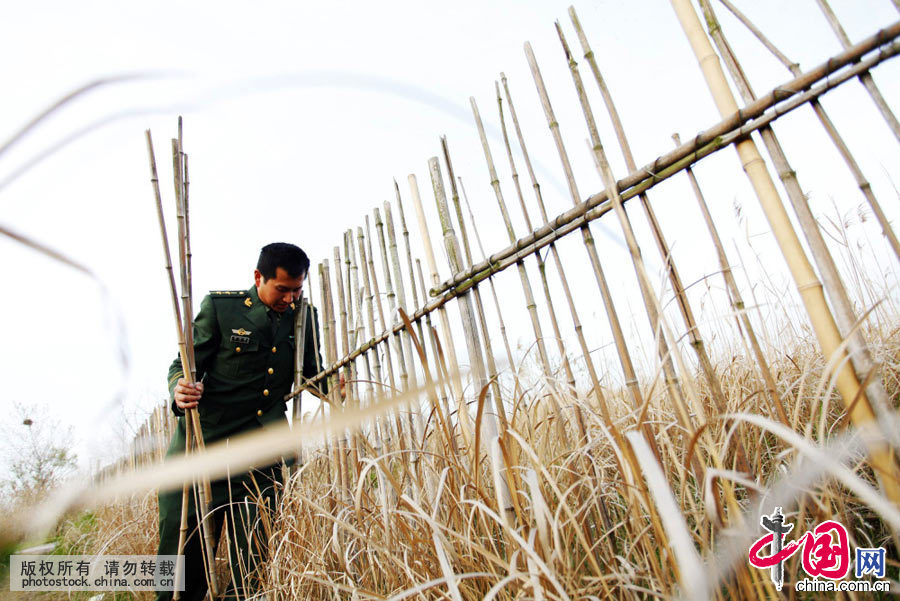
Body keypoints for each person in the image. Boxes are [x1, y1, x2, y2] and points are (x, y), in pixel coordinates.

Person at [156, 242, 325, 601]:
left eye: (297, 290)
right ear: (258, 278)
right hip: (203, 450)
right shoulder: (222, 308)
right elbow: (182, 366)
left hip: (261, 457)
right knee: (181, 567)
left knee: (253, 565)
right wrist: (179, 389)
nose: (290, 299)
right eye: (282, 289)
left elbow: (313, 375)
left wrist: (336, 388)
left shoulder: (304, 317)